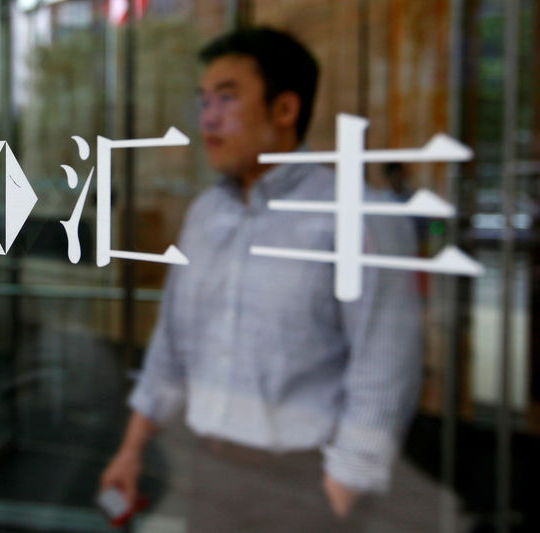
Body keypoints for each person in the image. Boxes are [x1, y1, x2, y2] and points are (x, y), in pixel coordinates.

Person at [100, 27, 423, 532]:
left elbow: (384, 368)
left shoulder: (356, 214)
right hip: (209, 472)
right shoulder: (206, 214)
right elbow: (172, 345)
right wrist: (132, 448)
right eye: (203, 101)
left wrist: (339, 494)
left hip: (304, 482)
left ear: (285, 110)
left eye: (227, 98)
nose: (208, 118)